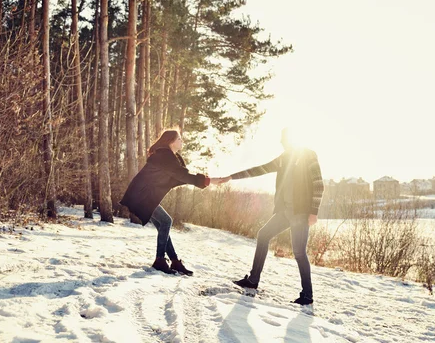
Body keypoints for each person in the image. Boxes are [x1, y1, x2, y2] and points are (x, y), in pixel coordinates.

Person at [226, 128, 324, 305]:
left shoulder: (309, 155)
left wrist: (313, 212)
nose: (281, 142)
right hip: (285, 211)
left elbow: (318, 184)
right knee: (263, 235)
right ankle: (253, 280)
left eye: (284, 140)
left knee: (299, 252)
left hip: (301, 212)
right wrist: (231, 177)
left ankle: (307, 295)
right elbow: (259, 170)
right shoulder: (284, 158)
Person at [120, 129, 225, 276]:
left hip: (144, 196)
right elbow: (182, 175)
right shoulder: (164, 156)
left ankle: (174, 261)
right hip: (141, 196)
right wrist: (208, 181)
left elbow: (181, 177)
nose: (182, 141)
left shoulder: (168, 158)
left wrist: (204, 181)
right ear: (171, 141)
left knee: (163, 226)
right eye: (179, 139)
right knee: (166, 221)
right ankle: (159, 260)